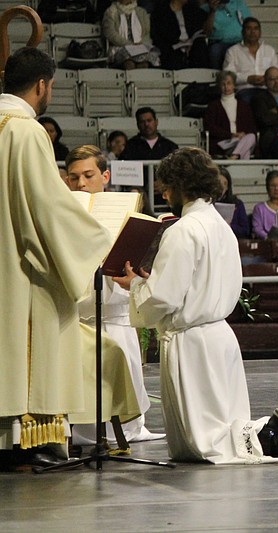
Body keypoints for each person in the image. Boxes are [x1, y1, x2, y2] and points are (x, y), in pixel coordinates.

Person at [111, 147, 278, 463]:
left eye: (167, 184)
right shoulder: (219, 225)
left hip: (193, 342)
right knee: (223, 426)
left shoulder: (183, 230)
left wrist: (135, 284)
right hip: (219, 336)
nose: (163, 190)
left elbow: (164, 297)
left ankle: (277, 434)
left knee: (206, 441)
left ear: (181, 184)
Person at [0, 47, 111, 468]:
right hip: (20, 269)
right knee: (28, 348)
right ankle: (27, 441)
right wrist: (97, 237)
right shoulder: (27, 132)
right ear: (42, 85)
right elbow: (47, 207)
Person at [64, 145, 164, 445]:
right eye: (73, 178)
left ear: (105, 175)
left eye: (88, 175)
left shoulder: (125, 208)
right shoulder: (63, 211)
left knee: (123, 371)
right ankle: (83, 433)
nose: (81, 184)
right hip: (80, 312)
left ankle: (130, 429)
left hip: (116, 309)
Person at [222, 17, 278, 103]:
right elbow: (228, 76)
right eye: (249, 28)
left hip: (267, 89)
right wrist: (247, 79)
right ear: (242, 32)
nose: (252, 32)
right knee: (255, 101)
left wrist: (267, 79)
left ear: (260, 33)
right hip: (245, 90)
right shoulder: (232, 51)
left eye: (256, 28)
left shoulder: (269, 50)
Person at [203, 71, 258, 160]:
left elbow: (251, 127)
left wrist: (242, 135)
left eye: (229, 83)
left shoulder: (244, 106)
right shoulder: (213, 106)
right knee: (246, 150)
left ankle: (234, 157)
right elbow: (210, 127)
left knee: (251, 137)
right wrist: (231, 135)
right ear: (219, 87)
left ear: (234, 85)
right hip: (225, 142)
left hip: (242, 140)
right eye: (223, 84)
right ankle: (238, 161)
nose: (226, 87)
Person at [151, 0, 211, 70]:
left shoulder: (192, 10)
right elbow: (159, 36)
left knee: (200, 48)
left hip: (191, 44)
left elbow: (199, 29)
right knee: (173, 55)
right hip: (172, 46)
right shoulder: (161, 12)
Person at [102, 0, 161, 69]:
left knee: (144, 64)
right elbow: (110, 33)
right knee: (129, 64)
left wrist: (141, 44)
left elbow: (146, 33)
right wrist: (129, 44)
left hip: (140, 47)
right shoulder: (111, 12)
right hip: (120, 47)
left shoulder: (141, 12)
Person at [201, 0, 251, 69]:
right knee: (215, 52)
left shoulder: (238, 3)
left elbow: (249, 23)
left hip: (239, 43)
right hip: (219, 44)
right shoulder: (205, 8)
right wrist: (212, 11)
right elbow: (206, 32)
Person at [217, 166, 250, 239]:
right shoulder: (206, 204)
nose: (221, 187)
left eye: (225, 184)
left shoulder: (237, 204)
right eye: (218, 183)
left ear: (228, 187)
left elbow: (245, 231)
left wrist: (230, 226)